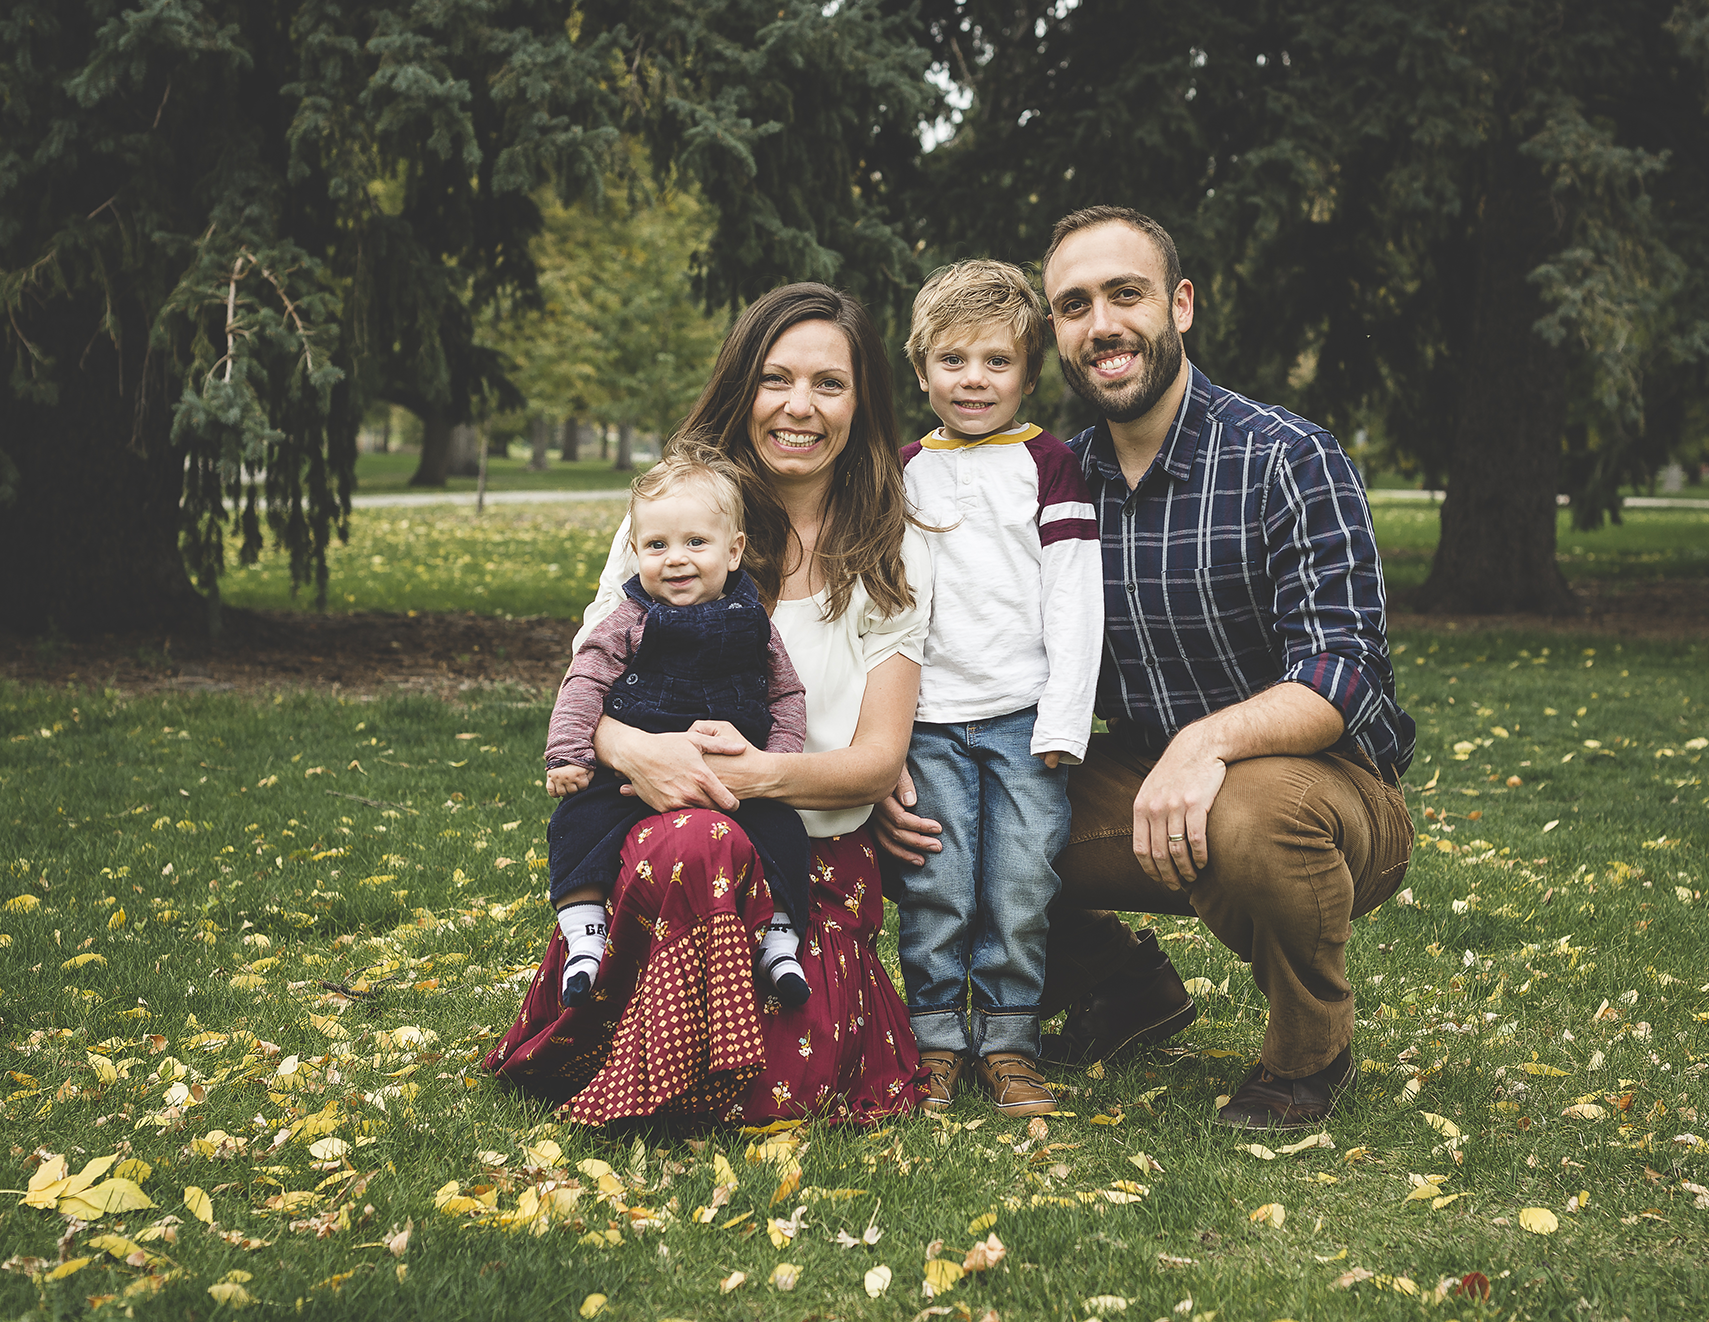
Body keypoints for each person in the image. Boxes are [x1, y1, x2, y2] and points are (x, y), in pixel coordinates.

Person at [877, 207, 1416, 1130]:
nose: (1103, 324)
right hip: (1136, 777)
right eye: (1075, 305)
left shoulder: (1285, 456)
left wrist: (1206, 747)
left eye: (1125, 294)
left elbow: (1344, 668)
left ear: (1180, 305)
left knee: (1248, 811)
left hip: (1321, 789)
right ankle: (1123, 989)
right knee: (936, 814)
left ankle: (1306, 1055)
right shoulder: (1056, 473)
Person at [486, 282, 932, 1127]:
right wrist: (635, 752)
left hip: (798, 863)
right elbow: (587, 680)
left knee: (781, 1086)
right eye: (775, 379)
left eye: (829, 384)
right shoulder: (667, 523)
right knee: (693, 839)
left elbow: (877, 759)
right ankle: (624, 1022)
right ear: (742, 387)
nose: (799, 407)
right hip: (660, 853)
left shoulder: (889, 546)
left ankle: (749, 1000)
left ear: (861, 399)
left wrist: (758, 776)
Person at [894, 260, 1103, 1117]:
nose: (972, 380)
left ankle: (1011, 1043)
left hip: (1025, 719)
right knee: (936, 885)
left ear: (1027, 372)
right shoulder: (903, 469)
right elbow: (889, 597)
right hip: (929, 720)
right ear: (922, 370)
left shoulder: (1048, 465)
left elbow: (1074, 593)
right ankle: (936, 1039)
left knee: (1019, 885)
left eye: (995, 363)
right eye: (952, 361)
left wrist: (1064, 715)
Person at [540, 453, 814, 1011]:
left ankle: (779, 938)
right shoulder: (629, 619)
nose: (675, 560)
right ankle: (586, 931)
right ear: (635, 552)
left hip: (734, 781)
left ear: (733, 549)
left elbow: (786, 694)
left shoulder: (754, 621)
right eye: (657, 546)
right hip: (630, 777)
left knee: (784, 832)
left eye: (696, 543)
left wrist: (775, 760)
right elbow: (584, 679)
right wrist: (568, 754)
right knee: (578, 823)